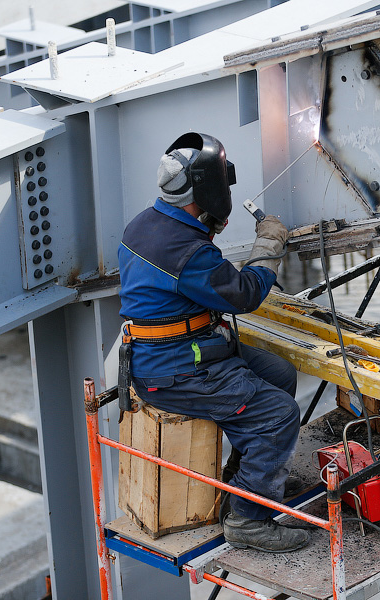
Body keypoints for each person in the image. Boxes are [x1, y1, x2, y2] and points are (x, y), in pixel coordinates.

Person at [117, 132, 308, 553]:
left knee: (279, 375)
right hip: (176, 370)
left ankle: (248, 482)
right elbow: (244, 295)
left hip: (184, 349)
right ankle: (247, 519)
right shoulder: (184, 251)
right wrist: (269, 245)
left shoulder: (147, 224)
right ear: (207, 190)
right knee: (279, 414)